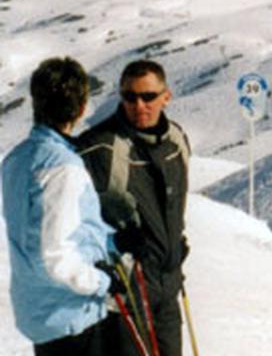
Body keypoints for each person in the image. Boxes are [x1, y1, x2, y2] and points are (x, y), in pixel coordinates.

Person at [2, 57, 123, 355]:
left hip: (39, 310)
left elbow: (35, 227)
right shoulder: (64, 168)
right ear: (82, 108)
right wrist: (104, 282)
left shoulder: (17, 159)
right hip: (70, 315)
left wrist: (109, 241)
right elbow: (55, 255)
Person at [78, 60, 191, 356]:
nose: (139, 105)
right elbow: (68, 219)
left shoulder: (176, 141)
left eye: (148, 97)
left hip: (167, 287)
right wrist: (111, 245)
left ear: (166, 96)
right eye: (130, 97)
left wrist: (175, 242)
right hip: (125, 294)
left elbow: (175, 203)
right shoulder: (98, 148)